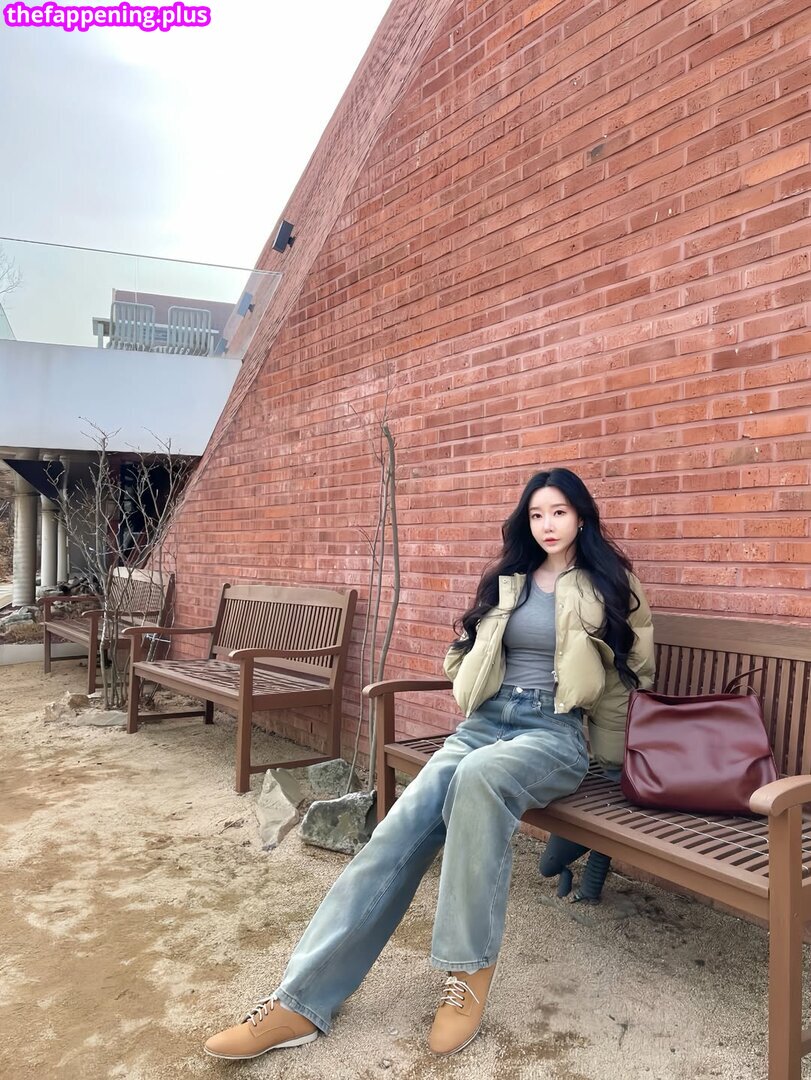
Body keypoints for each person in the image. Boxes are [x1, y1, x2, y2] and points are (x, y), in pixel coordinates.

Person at [203, 467, 655, 1062]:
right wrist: (468, 673)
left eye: (559, 512)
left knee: (478, 777)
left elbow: (628, 676)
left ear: (581, 517)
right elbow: (465, 648)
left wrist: (610, 764)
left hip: (553, 733)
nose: (547, 524)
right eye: (537, 514)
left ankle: (467, 971)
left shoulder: (610, 583)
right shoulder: (509, 579)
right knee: (396, 830)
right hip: (483, 724)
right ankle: (299, 1000)